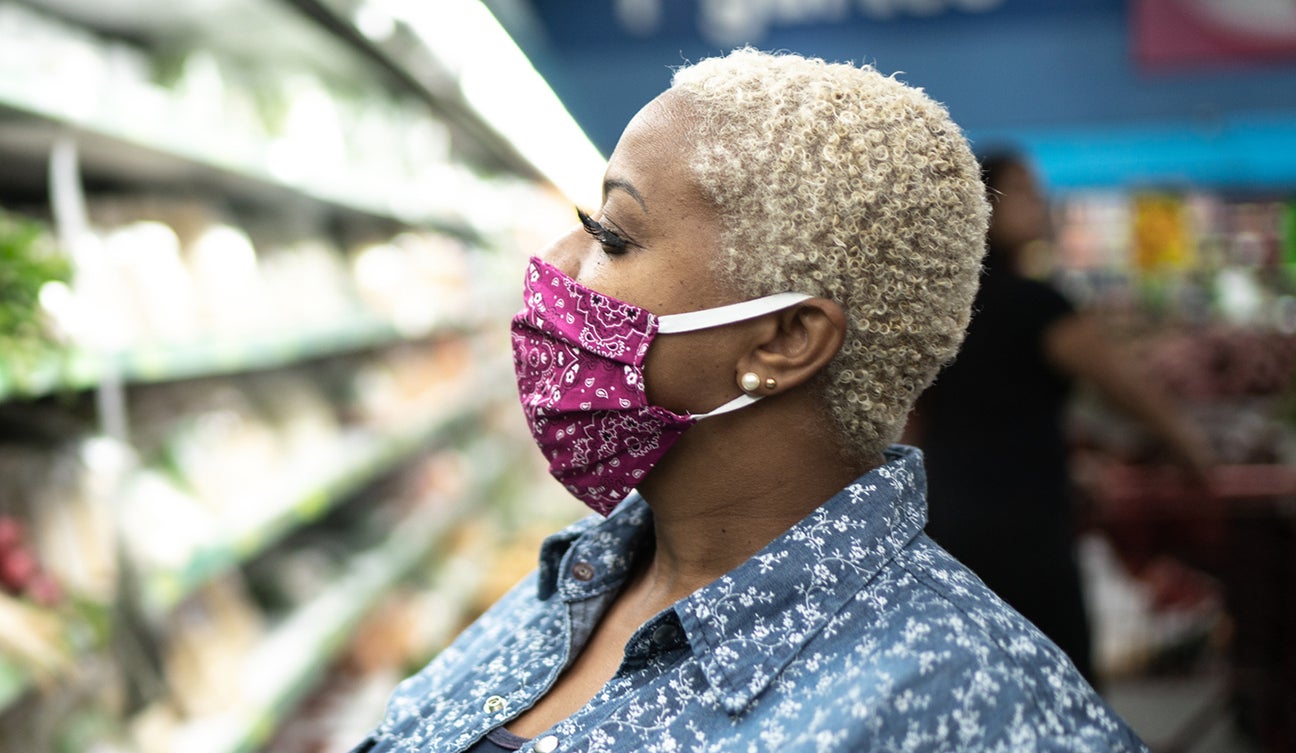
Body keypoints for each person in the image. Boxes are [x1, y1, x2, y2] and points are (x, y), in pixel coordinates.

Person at [351, 49, 1145, 752]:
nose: (554, 262)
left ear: (785, 340)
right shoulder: (581, 577)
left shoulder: (976, 705)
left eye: (612, 234)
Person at [912, 151, 1215, 687]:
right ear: (983, 206)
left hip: (949, 516)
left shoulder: (936, 306)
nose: (1040, 202)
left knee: (976, 677)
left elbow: (920, 415)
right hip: (1024, 521)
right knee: (1059, 675)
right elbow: (1123, 386)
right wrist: (1189, 448)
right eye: (1023, 191)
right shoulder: (1035, 304)